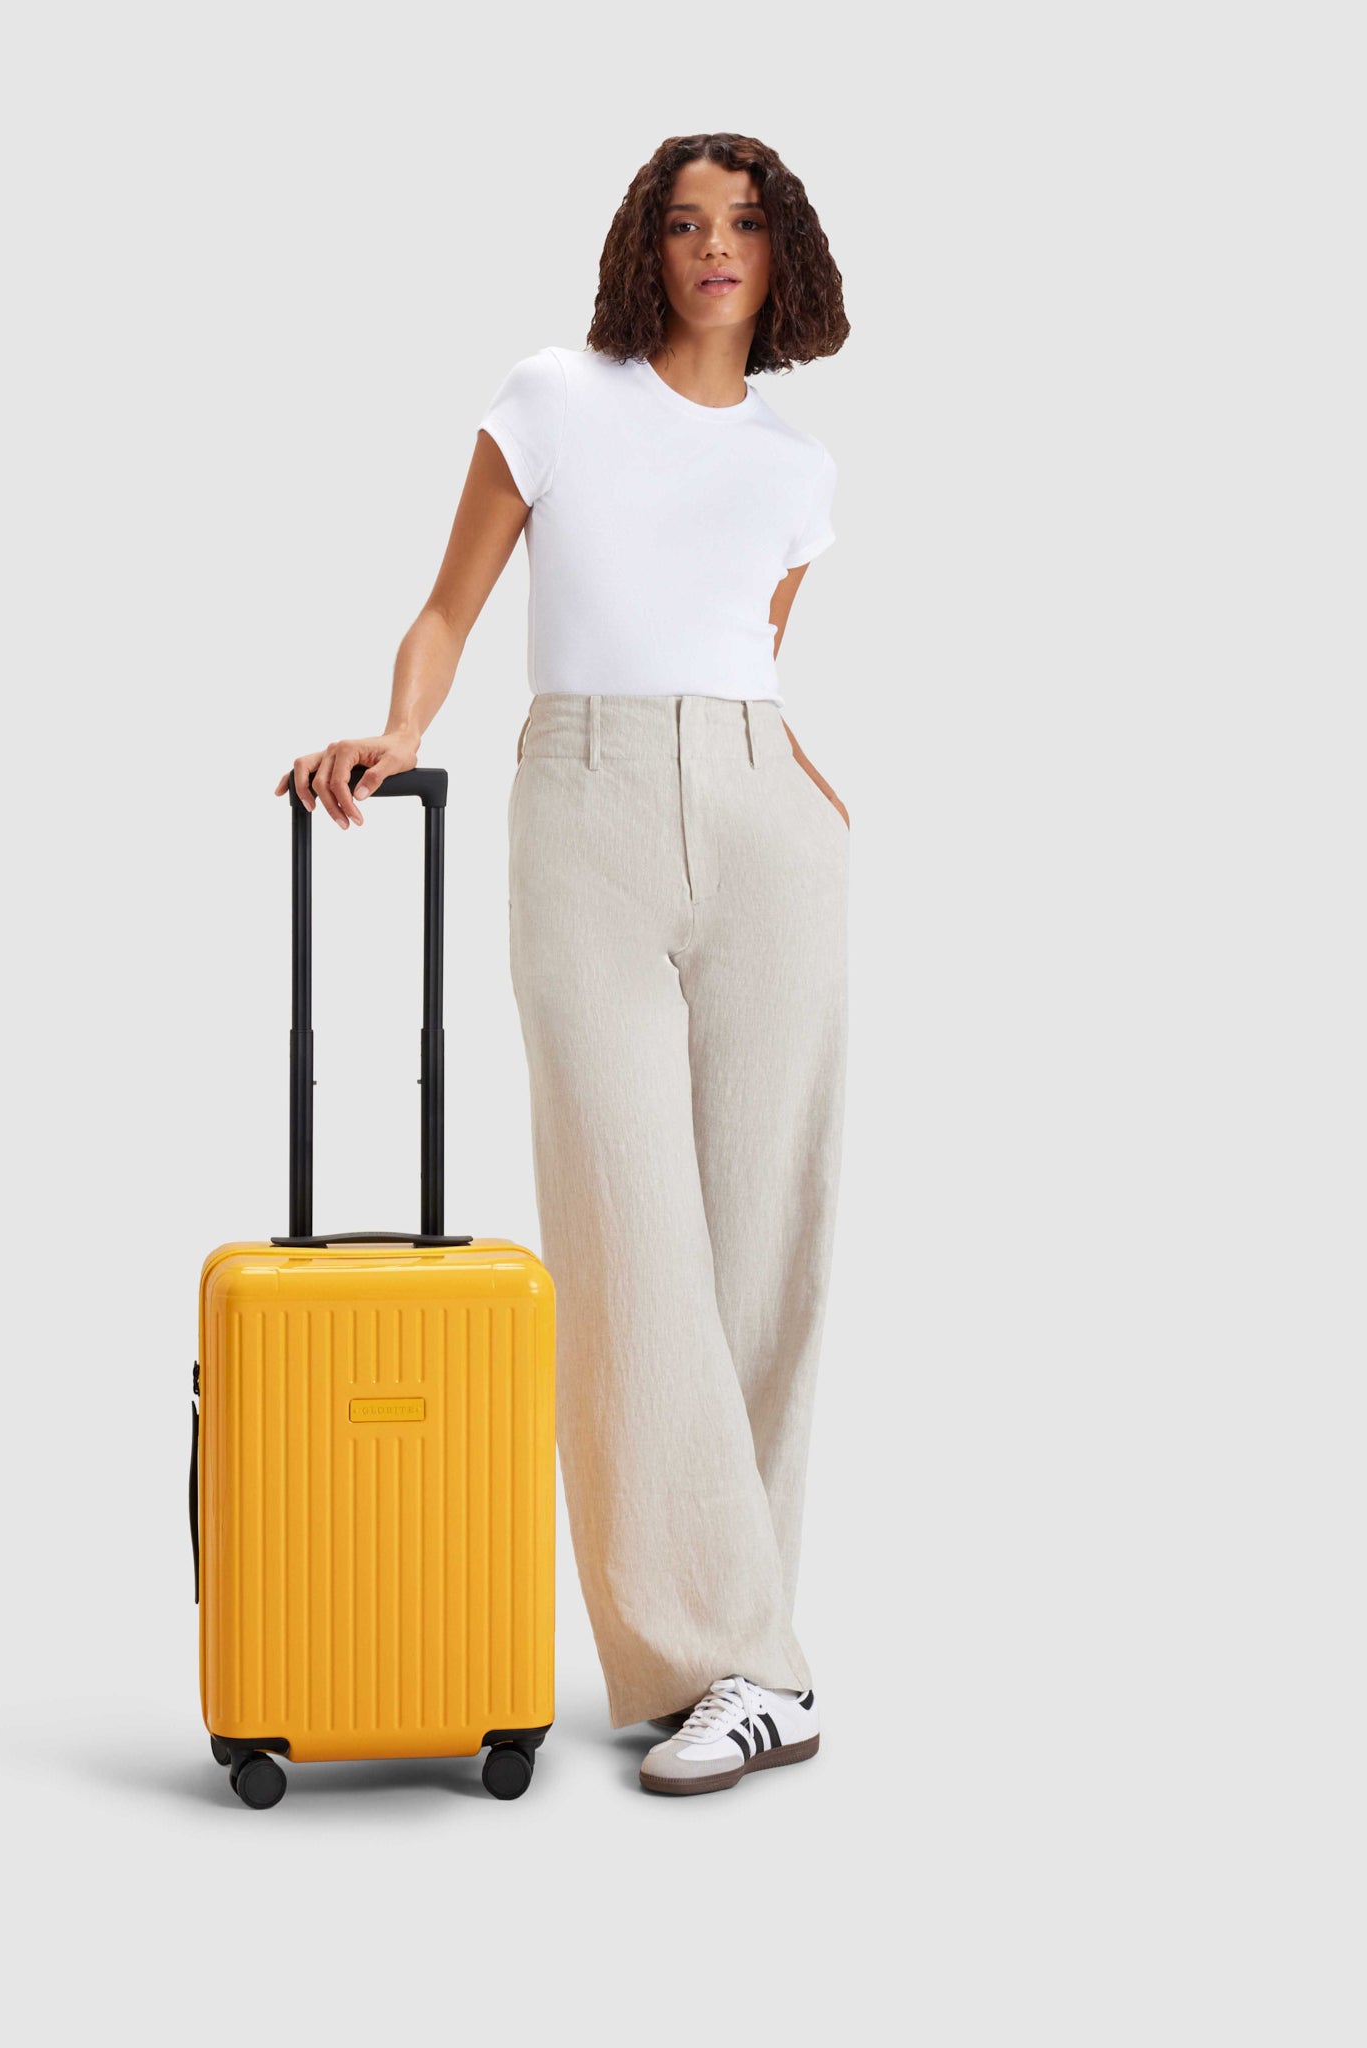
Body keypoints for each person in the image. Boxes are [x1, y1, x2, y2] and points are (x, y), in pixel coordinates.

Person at [276, 131, 851, 1798]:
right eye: (684, 224)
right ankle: (733, 1662)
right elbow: (450, 608)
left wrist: (792, 776)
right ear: (644, 249)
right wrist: (397, 725)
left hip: (767, 819)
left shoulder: (801, 466)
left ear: (780, 252)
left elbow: (743, 644)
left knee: (761, 1238)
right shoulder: (549, 397)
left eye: (742, 223)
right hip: (580, 808)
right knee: (624, 1239)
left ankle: (744, 1668)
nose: (712, 248)